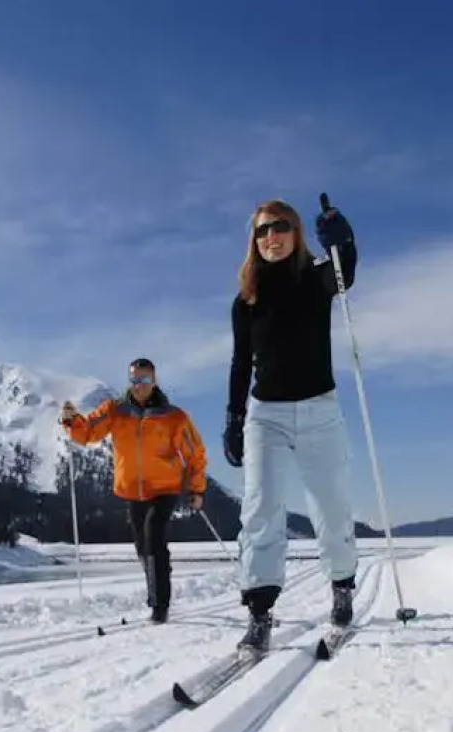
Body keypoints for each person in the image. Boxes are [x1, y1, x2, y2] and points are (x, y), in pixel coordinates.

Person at [223, 198, 359, 654]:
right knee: (260, 510)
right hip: (268, 416)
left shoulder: (316, 277)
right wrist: (233, 417)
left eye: (279, 227)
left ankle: (342, 587)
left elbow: (345, 273)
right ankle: (260, 613)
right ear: (254, 240)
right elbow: (242, 362)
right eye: (262, 230)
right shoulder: (246, 300)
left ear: (296, 232)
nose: (270, 237)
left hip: (320, 409)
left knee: (331, 507)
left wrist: (343, 240)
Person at [61, 358, 207, 623]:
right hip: (132, 491)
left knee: (154, 539)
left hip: (165, 488)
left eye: (145, 380)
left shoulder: (174, 417)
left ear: (154, 381)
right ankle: (159, 577)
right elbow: (89, 432)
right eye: (134, 380)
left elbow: (195, 453)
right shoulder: (116, 410)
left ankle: (159, 605)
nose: (139, 386)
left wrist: (197, 489)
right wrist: (72, 421)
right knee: (143, 548)